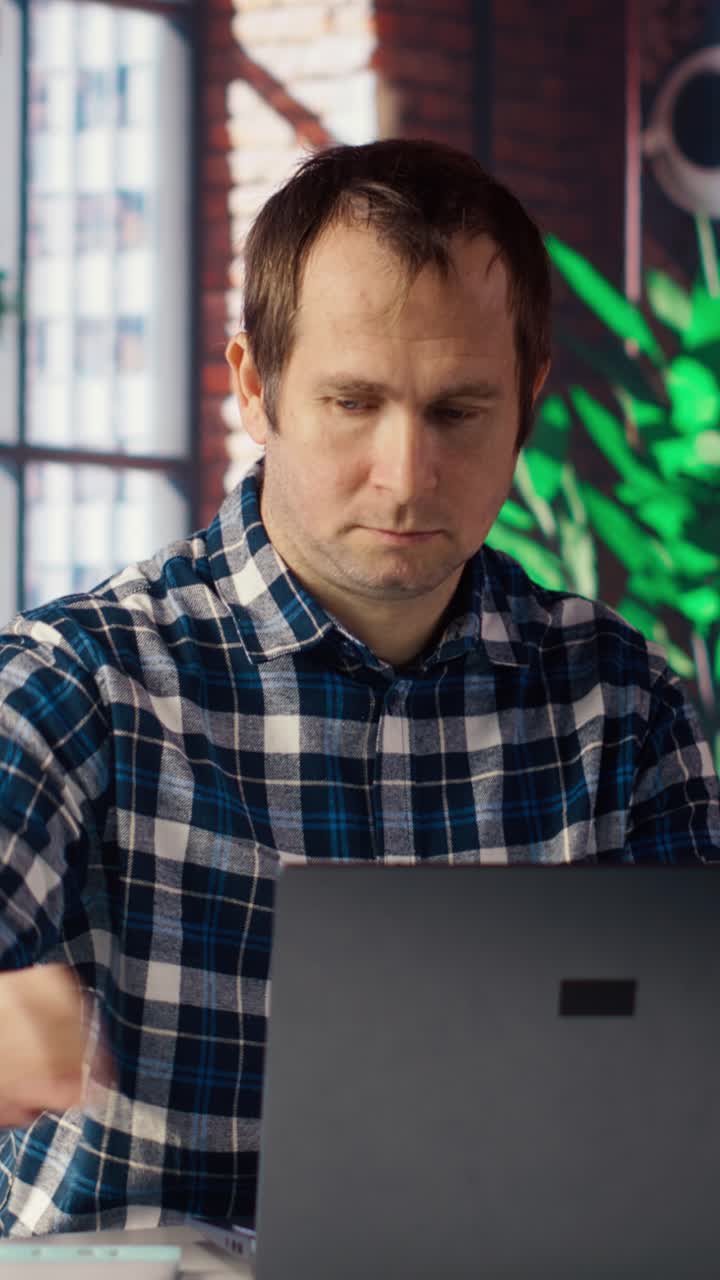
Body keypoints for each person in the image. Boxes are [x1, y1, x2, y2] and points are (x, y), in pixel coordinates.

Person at [0, 138, 718, 1238]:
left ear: (527, 397)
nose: (406, 476)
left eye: (459, 411)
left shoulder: (622, 706)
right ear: (256, 386)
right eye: (353, 401)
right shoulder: (81, 678)